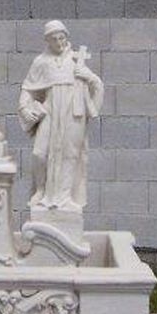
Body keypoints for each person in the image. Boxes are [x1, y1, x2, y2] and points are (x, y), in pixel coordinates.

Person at [18, 20, 103, 211]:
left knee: (70, 155)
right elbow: (28, 88)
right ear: (47, 41)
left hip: (74, 113)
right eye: (54, 39)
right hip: (50, 110)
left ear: (66, 37)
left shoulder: (76, 60)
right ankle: (41, 190)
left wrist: (88, 77)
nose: (59, 42)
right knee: (39, 153)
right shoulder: (41, 62)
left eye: (61, 38)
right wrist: (24, 108)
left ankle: (64, 197)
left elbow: (97, 85)